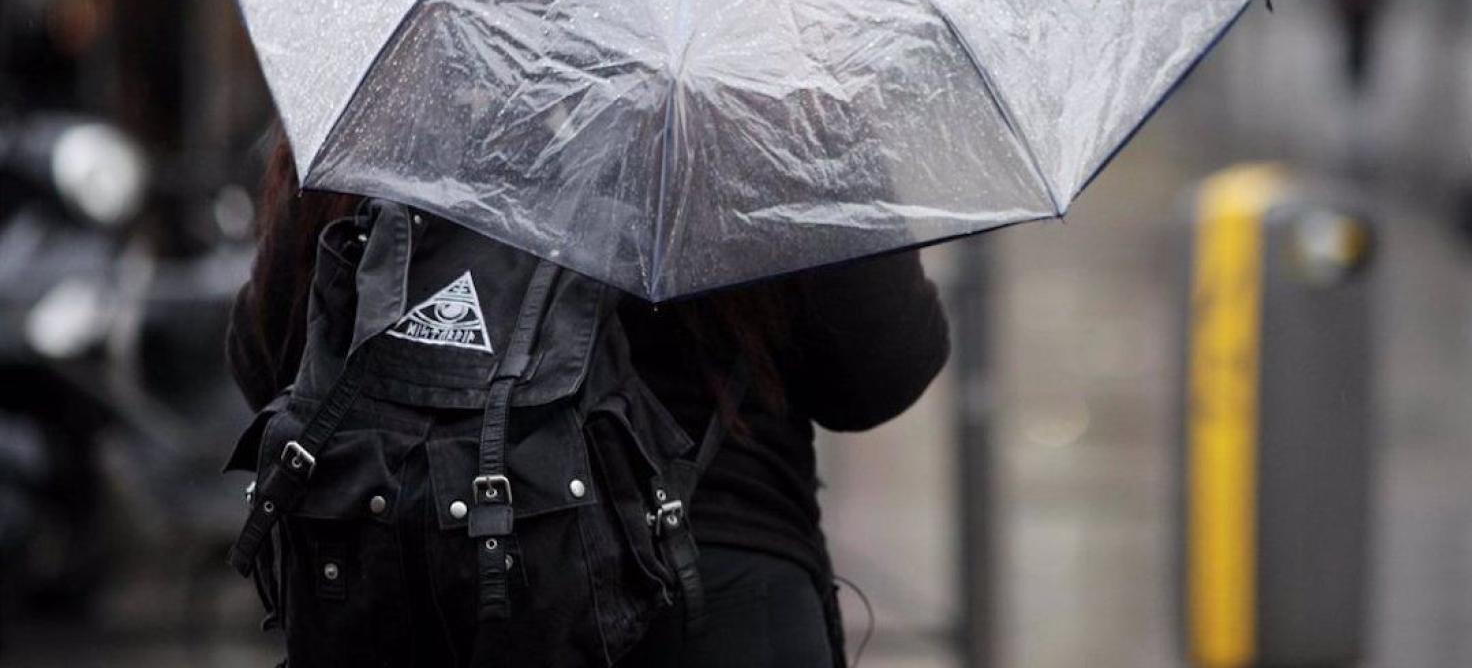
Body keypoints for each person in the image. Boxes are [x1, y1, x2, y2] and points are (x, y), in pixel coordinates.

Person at [226, 134, 951, 667]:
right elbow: (876, 377)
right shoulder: (750, 72)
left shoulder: (406, 63)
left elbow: (273, 364)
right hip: (713, 586)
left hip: (430, 583)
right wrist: (816, 119)